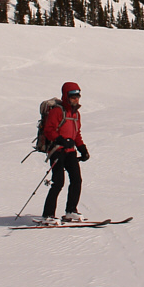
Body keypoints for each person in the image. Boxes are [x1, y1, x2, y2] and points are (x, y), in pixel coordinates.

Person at [41, 81, 90, 223]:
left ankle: (71, 211)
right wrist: (61, 140)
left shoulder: (76, 114)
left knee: (76, 180)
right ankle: (47, 215)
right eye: (73, 96)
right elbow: (49, 130)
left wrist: (82, 148)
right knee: (58, 182)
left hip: (70, 152)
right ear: (66, 96)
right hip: (57, 151)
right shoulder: (57, 111)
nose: (76, 99)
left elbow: (76, 134)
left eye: (78, 96)